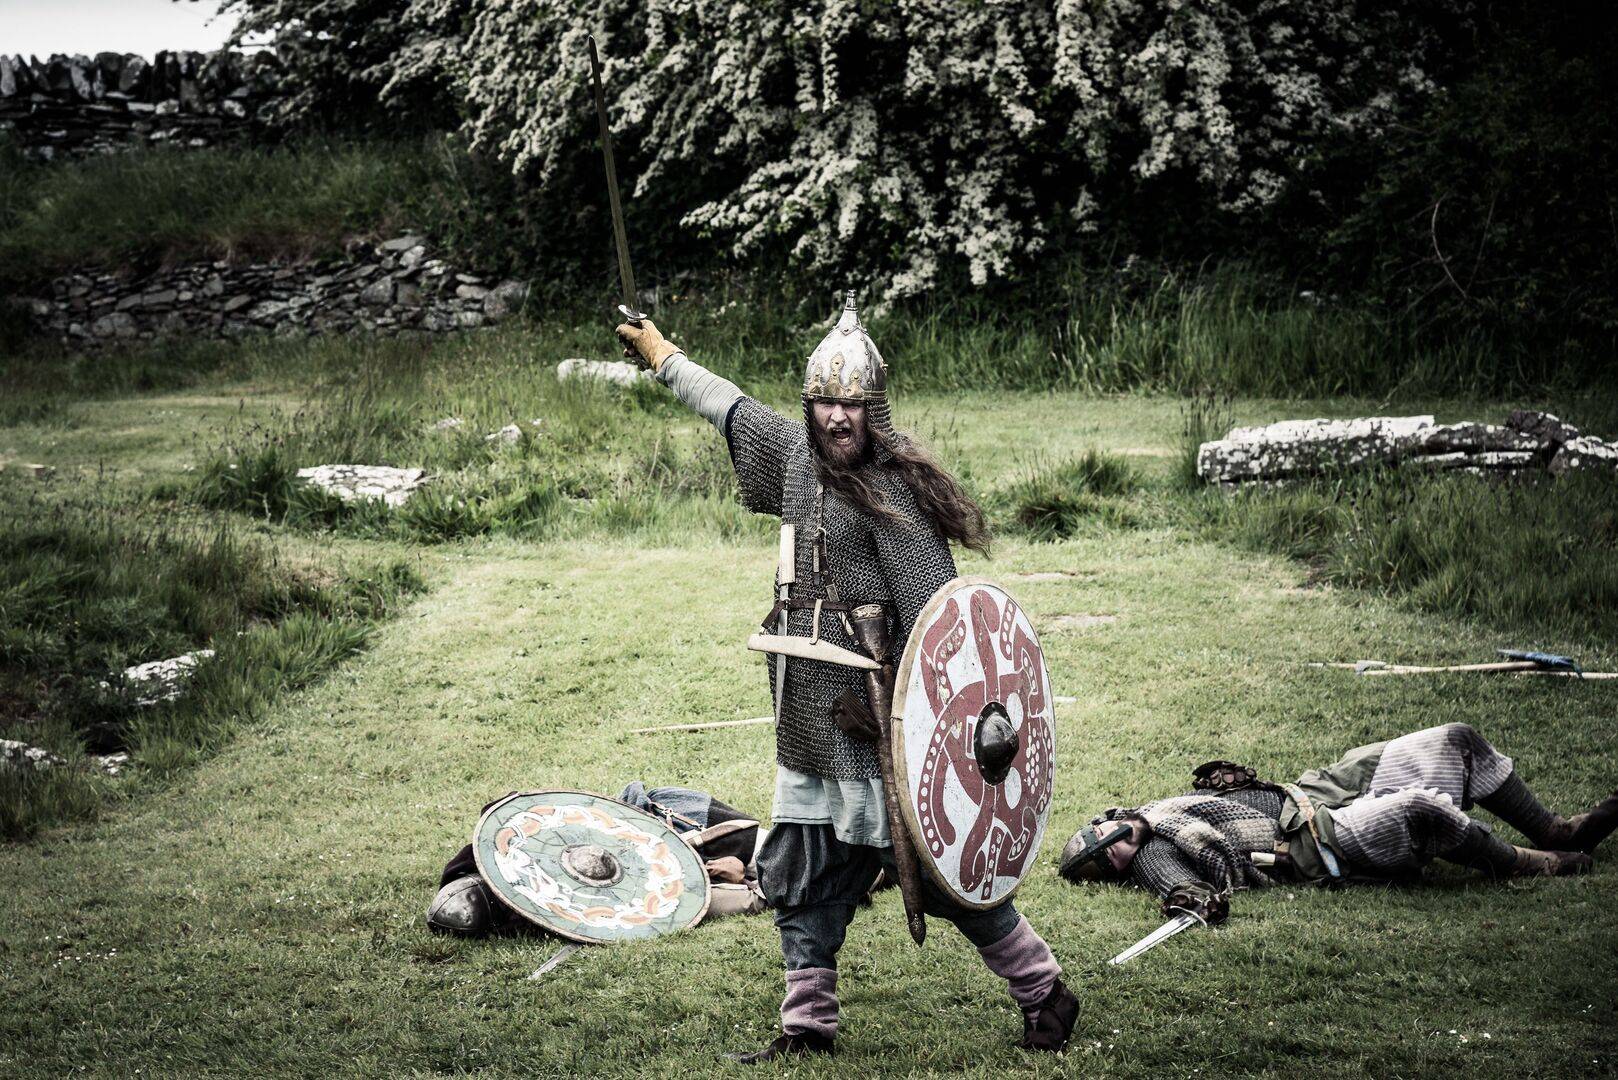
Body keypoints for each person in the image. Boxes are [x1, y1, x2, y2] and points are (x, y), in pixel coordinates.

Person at [615, 293, 1079, 1061]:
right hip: (811, 724)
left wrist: (908, 712)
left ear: (875, 410)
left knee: (937, 875)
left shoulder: (893, 494)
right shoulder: (793, 457)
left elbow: (944, 626)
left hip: (878, 726)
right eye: (825, 402)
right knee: (797, 869)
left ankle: (1045, 991)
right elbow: (726, 407)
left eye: (852, 404)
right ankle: (808, 1029)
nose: (837, 418)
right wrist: (662, 357)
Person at [1059, 722, 1617, 926]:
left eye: (1105, 841)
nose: (1115, 852)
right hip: (1315, 842)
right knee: (1420, 812)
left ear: (1110, 819)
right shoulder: (1156, 853)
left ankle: (1554, 830)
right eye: (1106, 864)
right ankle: (1528, 863)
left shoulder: (1153, 810)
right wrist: (1191, 895)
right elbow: (1184, 882)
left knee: (1455, 740)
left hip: (1317, 790)